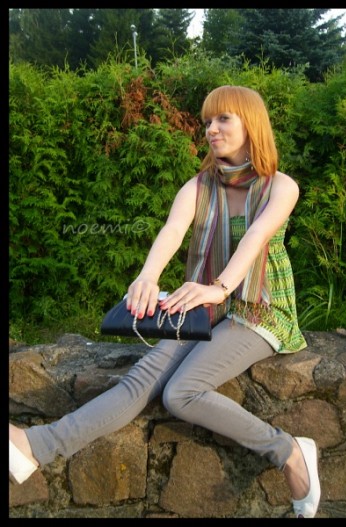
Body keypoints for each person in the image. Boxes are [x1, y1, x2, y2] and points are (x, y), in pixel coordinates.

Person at [9, 85, 320, 518]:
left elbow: (255, 237)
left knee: (182, 393)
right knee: (141, 379)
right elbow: (172, 231)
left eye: (223, 119)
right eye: (207, 121)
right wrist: (147, 277)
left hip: (259, 307)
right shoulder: (198, 186)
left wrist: (220, 287)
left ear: (252, 123)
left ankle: (289, 451)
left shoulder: (281, 187)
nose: (211, 129)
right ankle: (33, 445)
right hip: (205, 306)